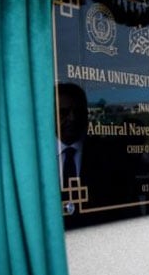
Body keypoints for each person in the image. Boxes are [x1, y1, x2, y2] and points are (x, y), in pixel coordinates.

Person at [56, 82, 137, 228]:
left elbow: (126, 208)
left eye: (78, 111)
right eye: (64, 112)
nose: (72, 118)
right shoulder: (35, 159)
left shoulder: (111, 156)